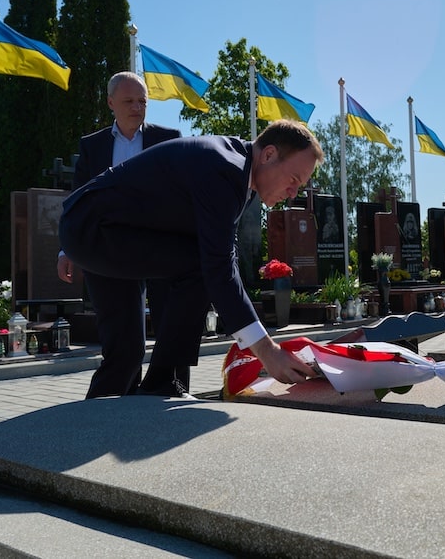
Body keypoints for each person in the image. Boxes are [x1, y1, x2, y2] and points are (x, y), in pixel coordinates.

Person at [59, 119, 324, 393]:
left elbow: (222, 259)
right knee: (200, 266)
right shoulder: (225, 168)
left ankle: (133, 400)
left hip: (110, 227)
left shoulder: (238, 170)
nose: (293, 194)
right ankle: (163, 384)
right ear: (268, 154)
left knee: (126, 351)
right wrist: (267, 351)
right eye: (293, 180)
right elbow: (219, 268)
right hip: (94, 228)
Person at [57, 72, 180, 398]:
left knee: (174, 336)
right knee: (125, 346)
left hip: (160, 250)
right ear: (111, 103)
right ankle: (97, 414)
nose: (137, 107)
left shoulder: (169, 139)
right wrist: (66, 250)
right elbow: (79, 201)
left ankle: (165, 404)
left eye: (142, 101)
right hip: (111, 253)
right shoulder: (93, 146)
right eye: (129, 101)